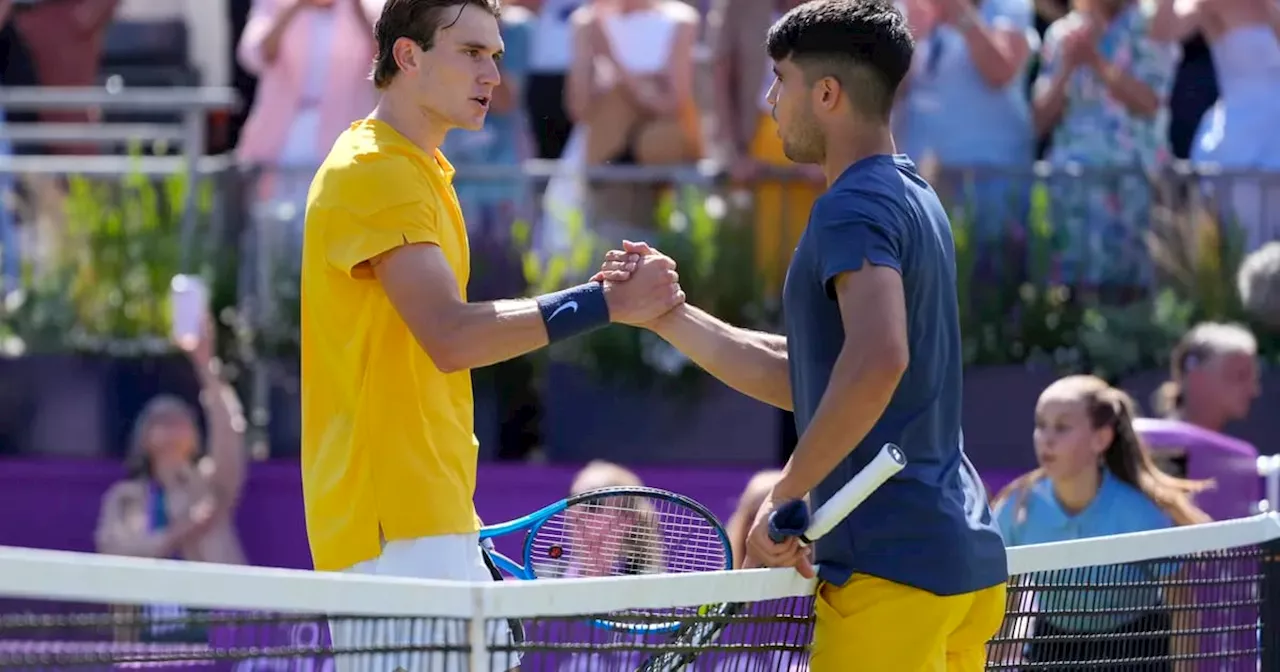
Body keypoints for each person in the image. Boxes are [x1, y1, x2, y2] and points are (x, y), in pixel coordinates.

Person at [596, 1, 1009, 669]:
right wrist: (669, 314)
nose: (767, 101)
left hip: (894, 581)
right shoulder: (911, 195)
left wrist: (786, 495)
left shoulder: (853, 205)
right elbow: (814, 375)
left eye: (779, 81)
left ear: (826, 94)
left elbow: (878, 361)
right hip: (961, 573)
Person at [297, 1, 684, 670]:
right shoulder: (375, 169)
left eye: (497, 57)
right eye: (472, 52)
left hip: (429, 523)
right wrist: (600, 303)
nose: (493, 75)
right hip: (394, 534)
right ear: (408, 56)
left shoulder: (419, 171)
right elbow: (451, 335)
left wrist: (457, 518)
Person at [989, 375, 1211, 668]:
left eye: (1062, 427)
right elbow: (1001, 610)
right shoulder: (1016, 509)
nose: (1047, 438)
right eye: (1041, 425)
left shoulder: (1140, 513)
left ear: (1101, 438)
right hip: (1053, 649)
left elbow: (1183, 608)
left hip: (1137, 650)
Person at [95, 314, 249, 642]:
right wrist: (182, 529)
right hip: (143, 651)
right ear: (144, 438)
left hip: (218, 651)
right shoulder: (123, 498)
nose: (172, 421)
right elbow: (115, 557)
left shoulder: (210, 486)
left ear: (195, 435)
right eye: (161, 418)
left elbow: (230, 433)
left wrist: (206, 364)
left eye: (181, 416)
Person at [1152, 322, 1260, 434]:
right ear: (1197, 378)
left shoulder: (1229, 447)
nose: (1253, 391)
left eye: (1253, 379)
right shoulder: (1156, 446)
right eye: (1240, 376)